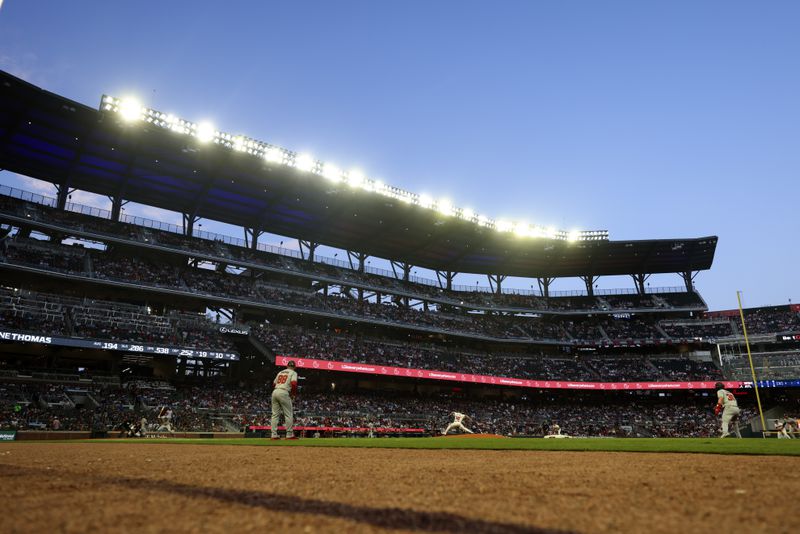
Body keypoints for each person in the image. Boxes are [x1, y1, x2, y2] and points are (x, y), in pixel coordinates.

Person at [271, 360, 298, 440]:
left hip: (275, 391)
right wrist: (293, 394)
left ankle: (274, 435)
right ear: (294, 367)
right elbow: (293, 384)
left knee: (275, 414)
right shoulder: (293, 372)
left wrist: (278, 388)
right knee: (288, 414)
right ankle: (289, 434)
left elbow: (274, 384)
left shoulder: (280, 372)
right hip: (284, 392)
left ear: (287, 366)